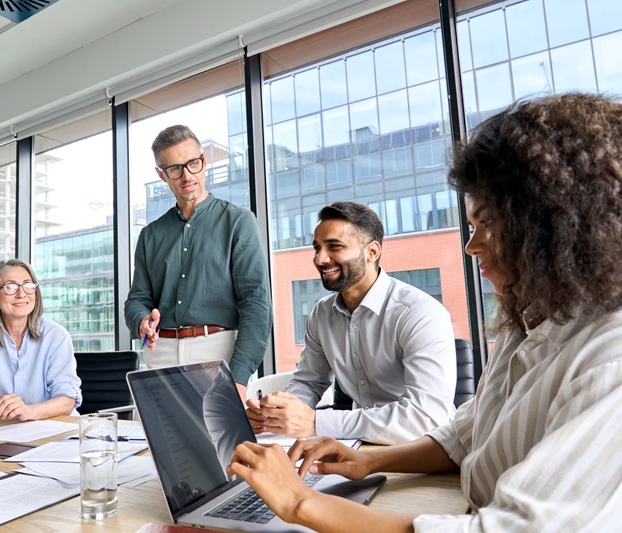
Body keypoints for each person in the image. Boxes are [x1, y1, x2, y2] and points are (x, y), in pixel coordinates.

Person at [227, 93, 622, 531]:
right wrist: (364, 460)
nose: (472, 245)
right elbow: (465, 433)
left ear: (556, 222)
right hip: (439, 489)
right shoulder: (524, 320)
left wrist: (299, 502)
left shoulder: (609, 358)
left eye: (486, 223)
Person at [246, 201, 456, 444]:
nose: (320, 259)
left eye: (334, 247)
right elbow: (307, 383)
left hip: (423, 449)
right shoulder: (321, 314)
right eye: (317, 248)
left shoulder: (420, 313)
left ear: (372, 252)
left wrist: (315, 423)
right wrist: (279, 413)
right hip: (358, 444)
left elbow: (425, 417)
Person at [124, 124, 272, 399]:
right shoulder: (150, 235)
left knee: (219, 441)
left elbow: (256, 303)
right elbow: (136, 300)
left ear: (203, 162)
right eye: (174, 169)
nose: (186, 175)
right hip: (161, 355)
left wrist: (239, 377)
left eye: (193, 163)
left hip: (217, 353)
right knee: (156, 441)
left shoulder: (238, 222)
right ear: (162, 175)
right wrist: (142, 320)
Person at [0, 259, 82, 424]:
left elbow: (67, 400)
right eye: (10, 287)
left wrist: (28, 411)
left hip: (57, 429)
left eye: (28, 285)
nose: (21, 294)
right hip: (4, 429)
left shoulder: (56, 336)